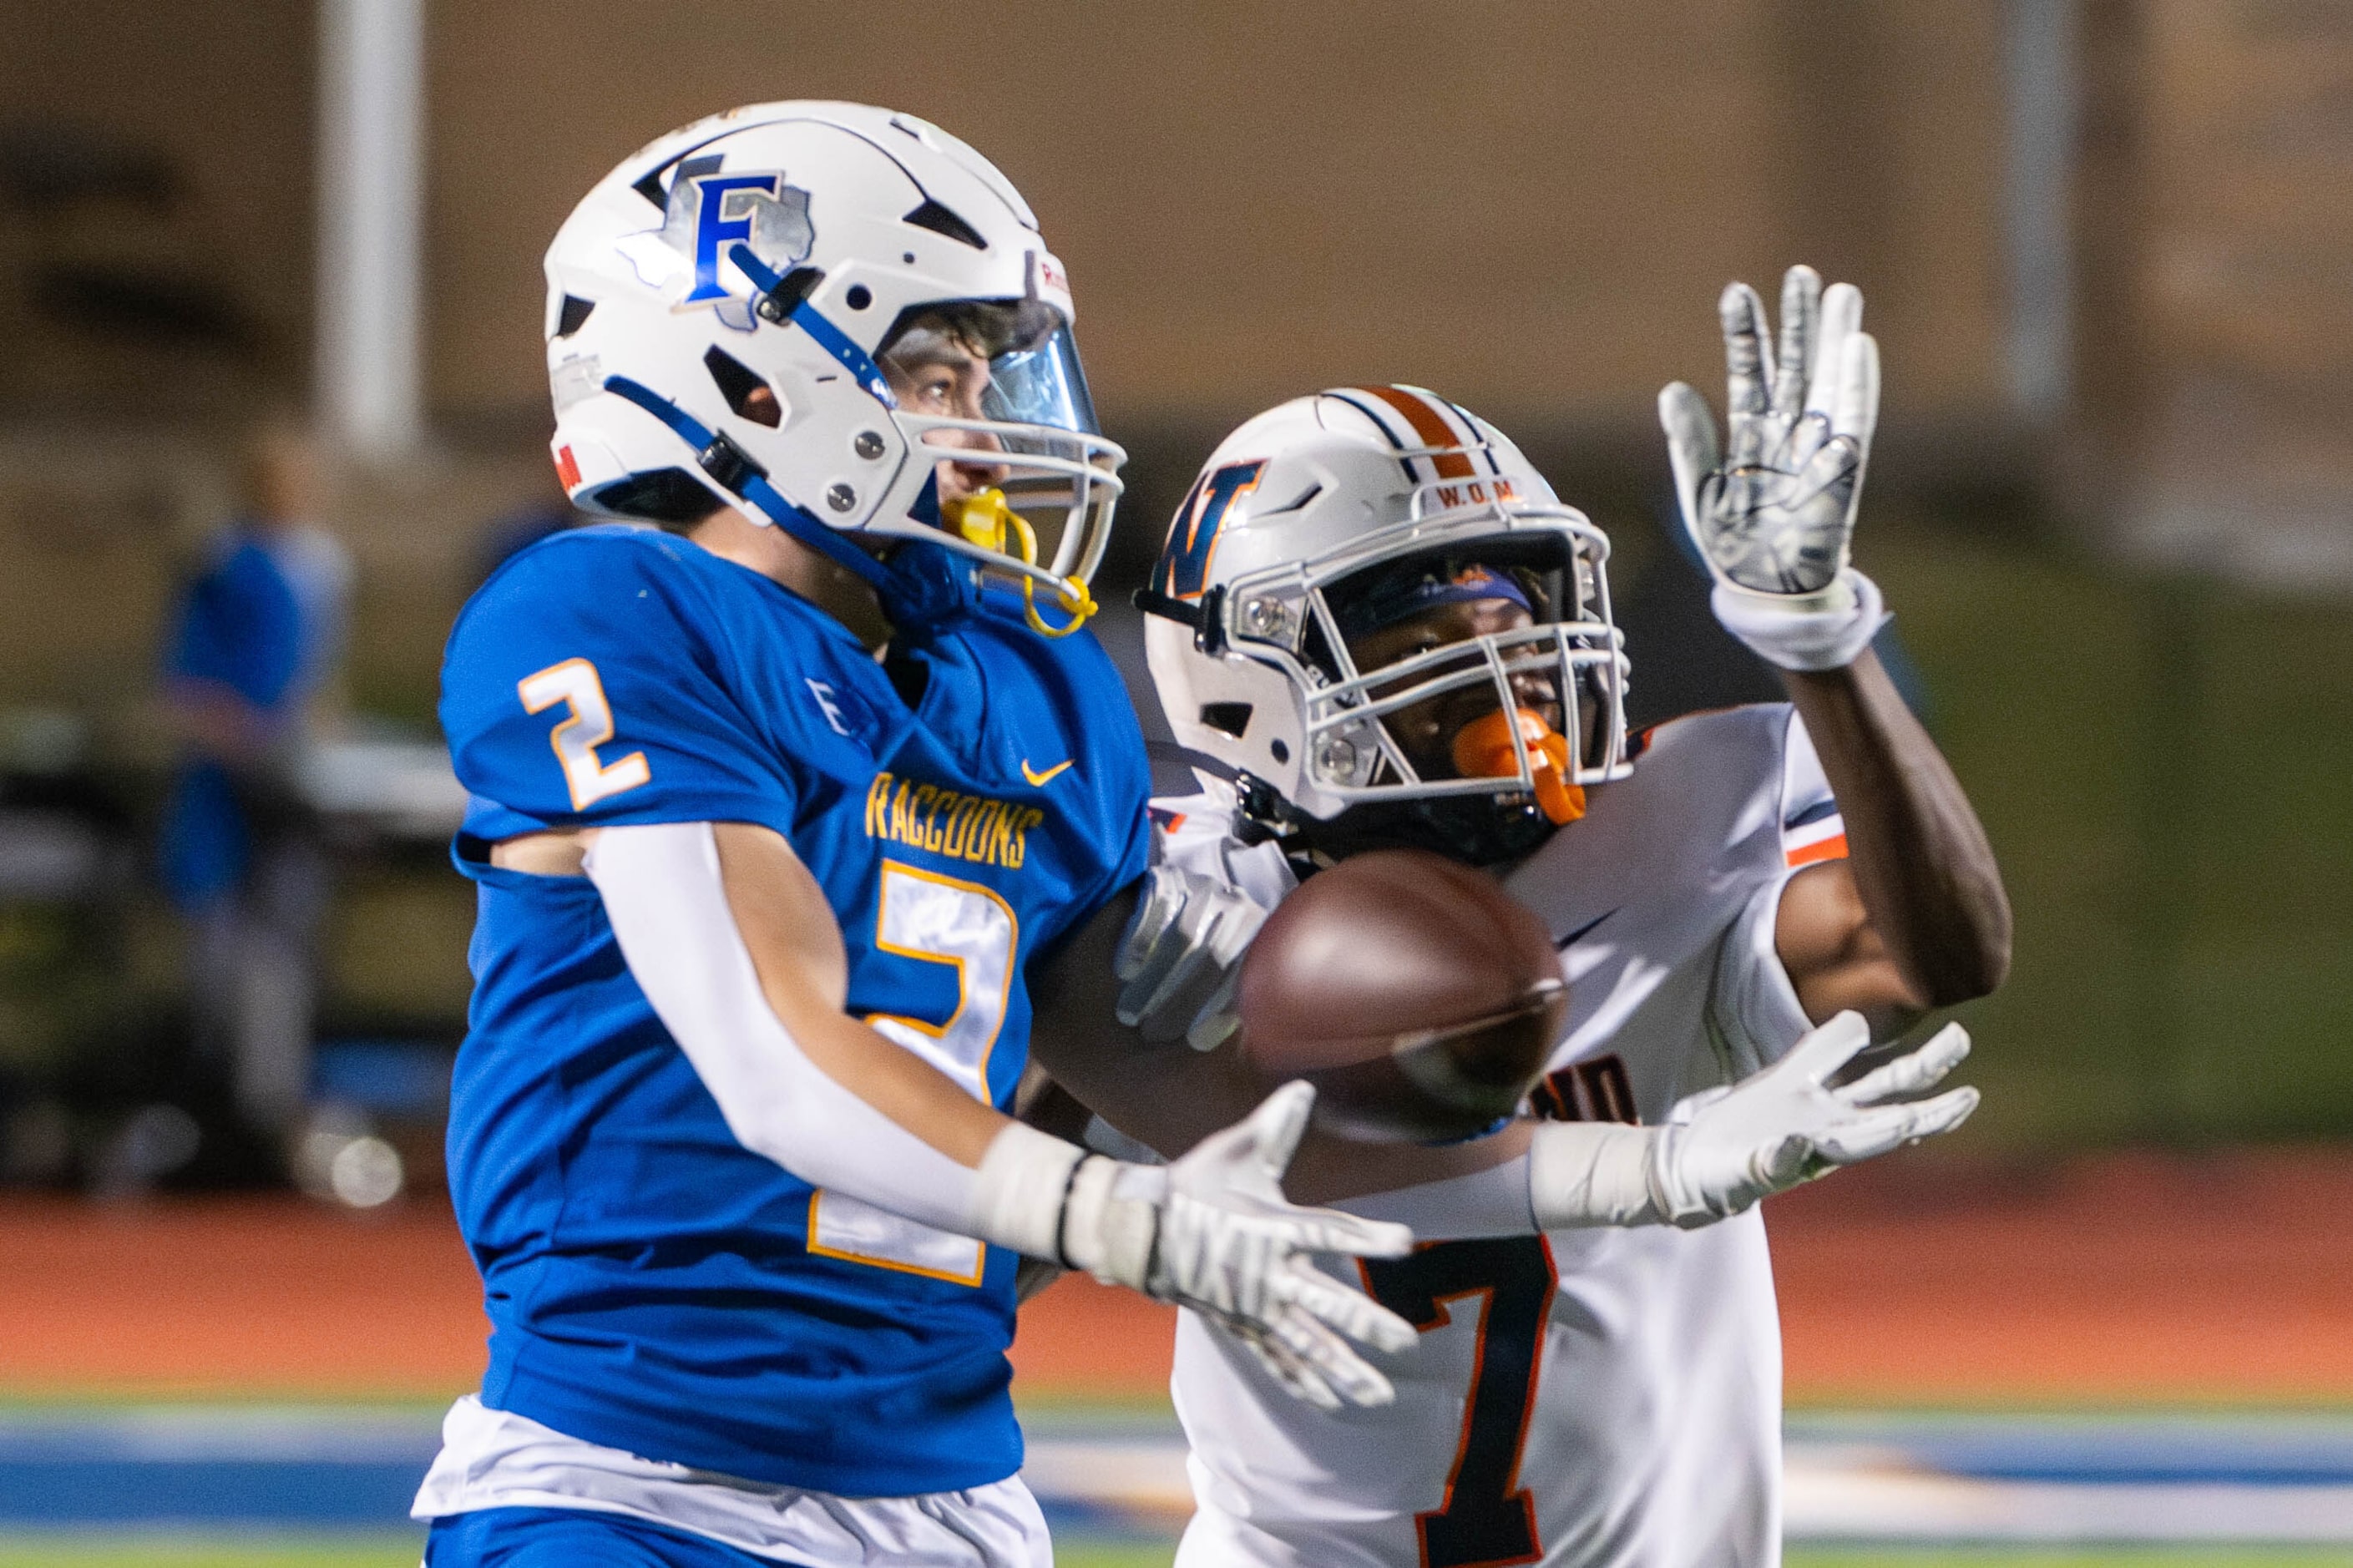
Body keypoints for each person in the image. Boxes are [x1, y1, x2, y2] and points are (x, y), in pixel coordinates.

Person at [410, 103, 1426, 1568]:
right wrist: (1112, 1214)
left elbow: (1160, 1086)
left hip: (954, 1493)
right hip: (636, 1483)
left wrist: (1633, 1161)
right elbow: (772, 1048)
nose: (991, 417)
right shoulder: (616, 610)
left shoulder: (1024, 674)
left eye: (995, 367)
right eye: (934, 367)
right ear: (753, 382)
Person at [1038, 269, 2011, 1565]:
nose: (1511, 665)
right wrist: (1075, 1041)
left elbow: (1933, 947)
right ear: (1243, 678)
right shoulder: (1174, 905)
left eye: (1518, 608)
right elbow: (953, 1240)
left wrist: (1819, 640)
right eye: (1427, 630)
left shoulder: (1675, 824)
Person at [157, 417, 352, 1138]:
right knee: (222, 961)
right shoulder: (224, 566)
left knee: (288, 952)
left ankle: (273, 1111)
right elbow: (187, 687)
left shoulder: (320, 566)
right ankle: (225, 1119)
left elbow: (317, 680)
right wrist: (245, 740)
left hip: (291, 793)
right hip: (229, 796)